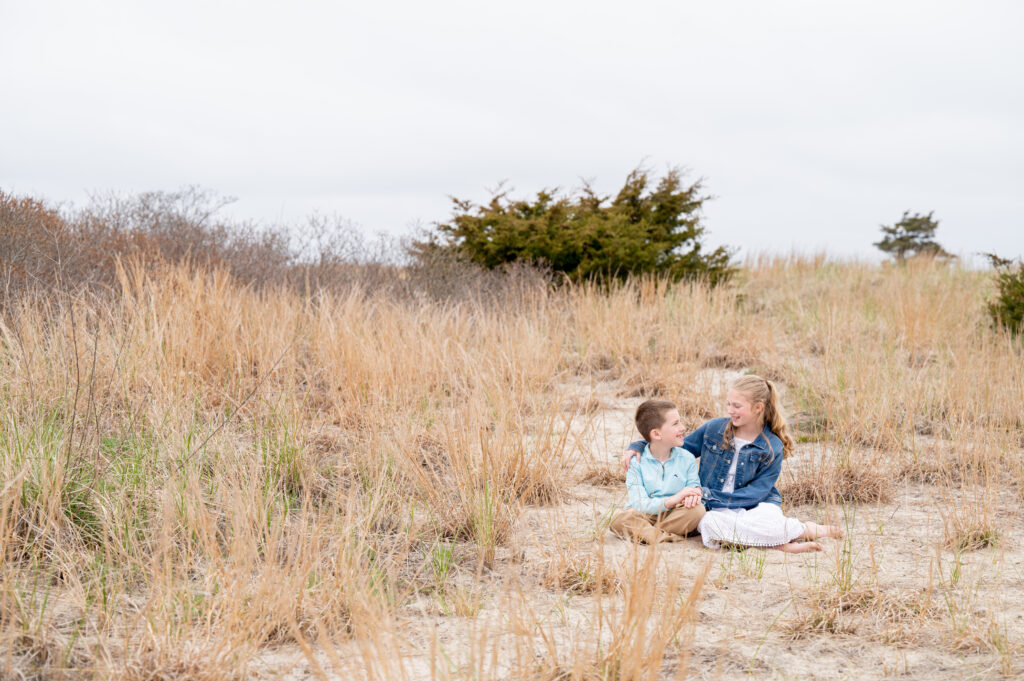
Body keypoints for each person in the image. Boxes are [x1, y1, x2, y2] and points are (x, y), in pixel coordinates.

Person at [620, 375, 842, 553]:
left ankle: (807, 530)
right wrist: (639, 445)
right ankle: (775, 543)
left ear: (758, 408)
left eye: (737, 406)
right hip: (715, 510)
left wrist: (710, 495)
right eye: (728, 404)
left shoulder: (772, 446)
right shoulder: (714, 429)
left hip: (754, 506)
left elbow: (758, 492)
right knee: (709, 523)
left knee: (769, 521)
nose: (730, 410)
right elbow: (673, 446)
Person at [609, 399, 706, 544]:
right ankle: (670, 538)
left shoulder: (687, 458)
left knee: (698, 511)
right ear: (656, 434)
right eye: (676, 424)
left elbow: (693, 486)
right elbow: (639, 503)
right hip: (644, 514)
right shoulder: (635, 463)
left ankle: (648, 535)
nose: (683, 427)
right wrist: (671, 500)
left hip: (675, 514)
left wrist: (694, 494)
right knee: (618, 519)